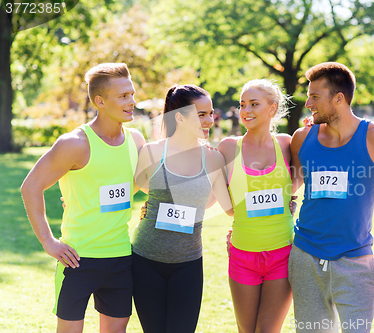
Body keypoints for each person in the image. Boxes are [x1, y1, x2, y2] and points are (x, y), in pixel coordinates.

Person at [20, 63, 145, 333]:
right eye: (123, 96)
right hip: (77, 259)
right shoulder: (75, 143)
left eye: (132, 94)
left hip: (121, 257)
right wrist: (47, 241)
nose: (132, 101)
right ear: (100, 101)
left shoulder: (136, 140)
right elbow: (31, 186)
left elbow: (131, 187)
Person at [288, 61, 374, 333]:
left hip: (355, 261)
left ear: (338, 98)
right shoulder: (301, 138)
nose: (308, 102)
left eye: (315, 96)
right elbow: (291, 187)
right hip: (305, 258)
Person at [131, 84, 233, 333]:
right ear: (179, 117)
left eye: (211, 113)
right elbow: (132, 189)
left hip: (188, 263)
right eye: (201, 114)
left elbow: (230, 208)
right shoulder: (152, 151)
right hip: (145, 260)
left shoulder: (213, 158)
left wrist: (280, 202)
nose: (210, 120)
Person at [217, 79, 295, 333]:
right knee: (246, 330)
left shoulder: (287, 144)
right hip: (243, 254)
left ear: (272, 109)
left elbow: (295, 186)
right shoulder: (228, 148)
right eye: (242, 105)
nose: (246, 110)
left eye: (254, 104)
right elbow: (228, 206)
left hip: (282, 254)